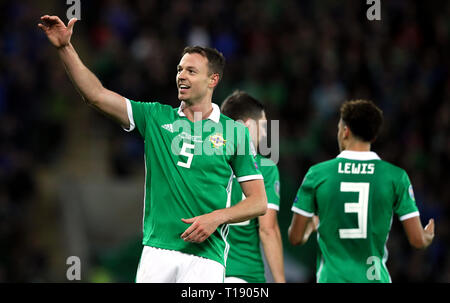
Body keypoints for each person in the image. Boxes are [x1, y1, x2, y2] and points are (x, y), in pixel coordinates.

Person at [38, 15, 267, 283]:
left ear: (212, 80)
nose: (181, 76)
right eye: (180, 69)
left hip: (207, 259)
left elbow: (258, 201)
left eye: (191, 71)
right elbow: (96, 95)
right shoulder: (156, 117)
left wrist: (216, 218)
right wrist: (65, 48)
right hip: (157, 253)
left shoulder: (234, 132)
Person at [288, 99, 435, 283]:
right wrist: (427, 237)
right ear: (373, 136)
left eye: (338, 128)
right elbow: (417, 240)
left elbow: (295, 238)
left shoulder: (317, 174)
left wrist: (310, 227)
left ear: (345, 131)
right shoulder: (396, 177)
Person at [220, 90, 285, 283]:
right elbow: (268, 230)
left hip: (204, 272)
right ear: (247, 125)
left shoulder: (206, 163)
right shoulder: (264, 168)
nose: (265, 133)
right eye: (263, 126)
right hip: (244, 274)